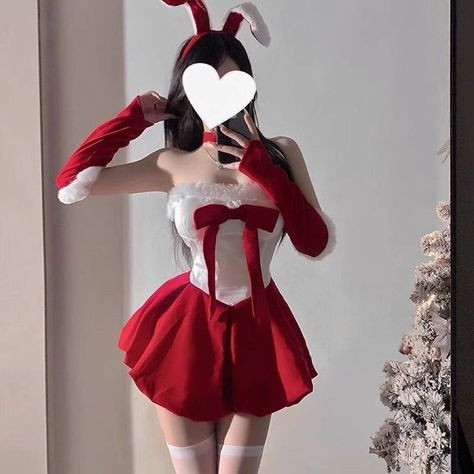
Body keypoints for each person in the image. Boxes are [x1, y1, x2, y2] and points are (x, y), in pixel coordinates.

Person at [55, 2, 336, 473]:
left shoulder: (282, 153)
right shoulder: (172, 163)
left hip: (258, 328)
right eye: (209, 81)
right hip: (187, 331)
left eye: (233, 80)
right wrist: (132, 118)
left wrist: (265, 170)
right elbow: (72, 182)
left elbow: (315, 242)